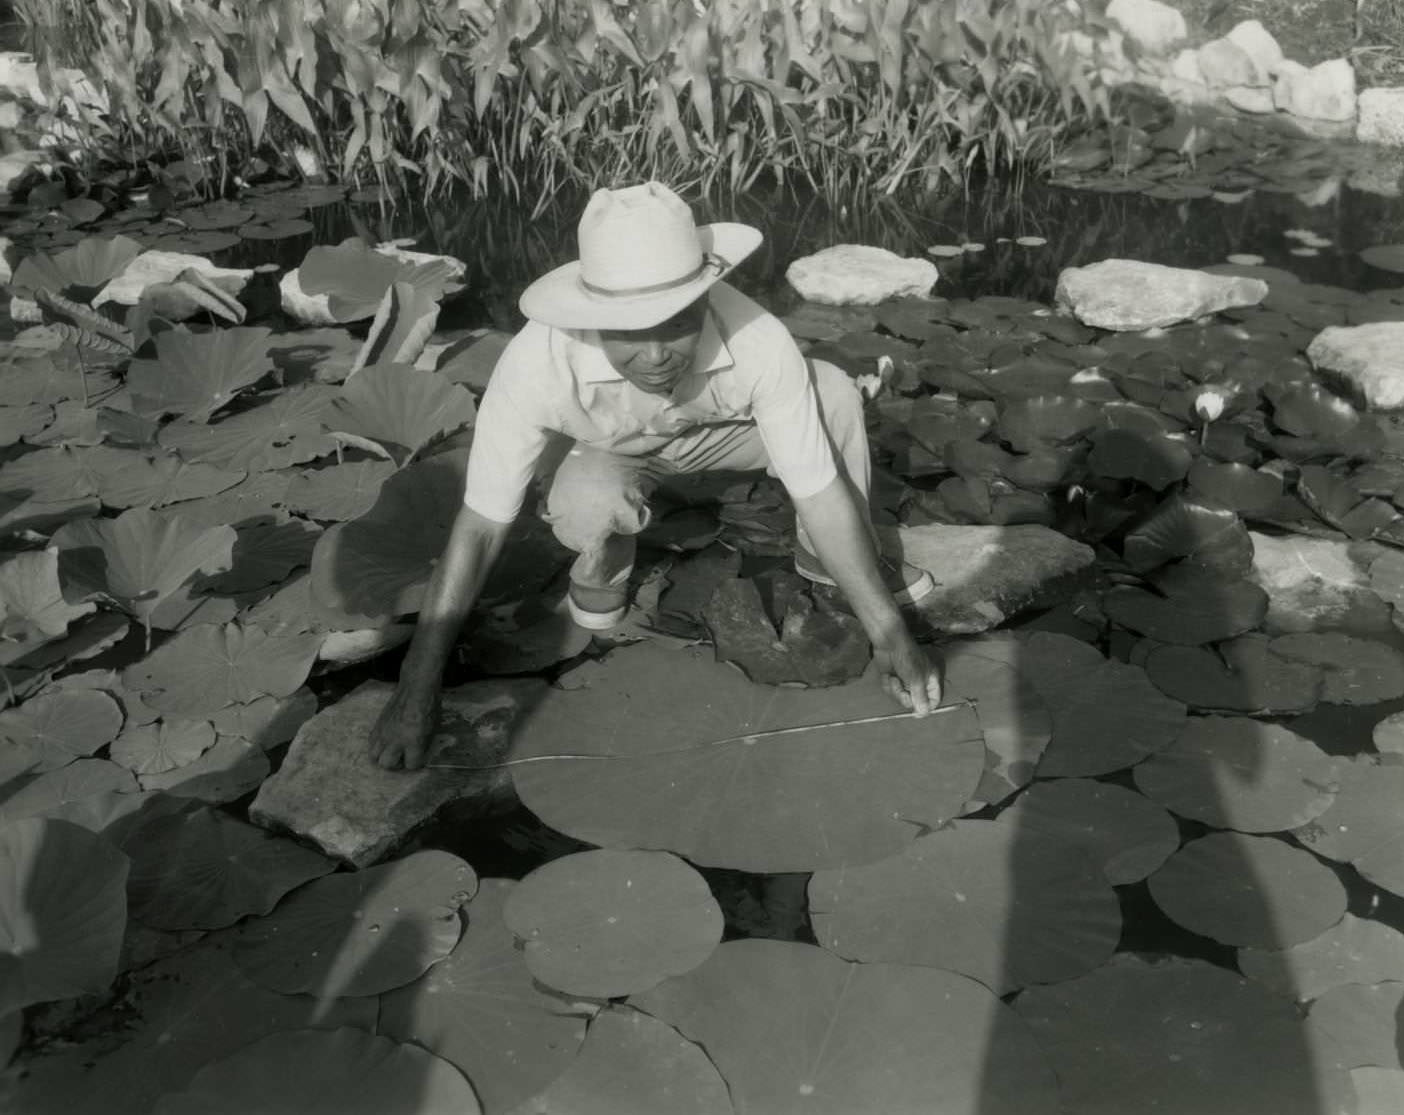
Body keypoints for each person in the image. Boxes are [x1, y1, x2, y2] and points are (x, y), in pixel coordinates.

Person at [369, 181, 943, 770]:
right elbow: (483, 524)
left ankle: (826, 561)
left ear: (706, 299)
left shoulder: (759, 339)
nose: (654, 356)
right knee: (588, 501)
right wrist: (417, 684)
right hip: (609, 453)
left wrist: (889, 632)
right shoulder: (535, 366)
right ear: (590, 319)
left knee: (833, 391)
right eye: (628, 331)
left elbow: (819, 492)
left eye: (674, 323)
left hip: (720, 439)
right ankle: (604, 568)